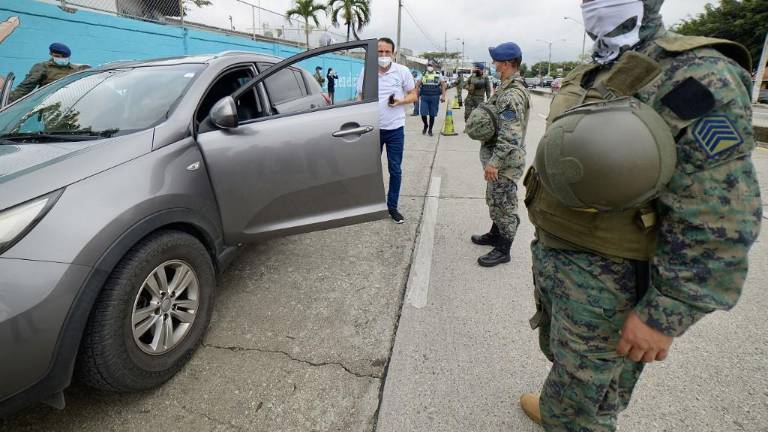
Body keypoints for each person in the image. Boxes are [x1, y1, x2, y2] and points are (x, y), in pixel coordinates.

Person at [520, 1, 762, 430]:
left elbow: (722, 216)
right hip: (560, 260)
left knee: (590, 403)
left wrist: (665, 313)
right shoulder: (597, 70)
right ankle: (561, 404)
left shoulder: (695, 75)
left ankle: (571, 416)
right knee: (569, 363)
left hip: (611, 278)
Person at [466, 42, 530, 267]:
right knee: (495, 200)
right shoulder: (505, 87)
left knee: (504, 204)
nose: (492, 64)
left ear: (506, 64)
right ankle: (495, 234)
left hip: (505, 161)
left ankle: (504, 249)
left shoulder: (512, 94)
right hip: (500, 159)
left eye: (496, 61)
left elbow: (510, 135)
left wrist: (494, 162)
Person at [356, 37, 417, 224]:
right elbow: (360, 96)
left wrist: (400, 101)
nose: (383, 55)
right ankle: (369, 205)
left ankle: (392, 207)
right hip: (372, 129)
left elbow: (414, 95)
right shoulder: (366, 71)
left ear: (393, 54)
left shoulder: (402, 71)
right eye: (380, 52)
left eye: (387, 52)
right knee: (370, 170)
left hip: (395, 129)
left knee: (395, 170)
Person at [10, 42, 82, 101]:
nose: (61, 59)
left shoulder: (76, 69)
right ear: (51, 54)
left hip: (71, 104)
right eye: (57, 56)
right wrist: (10, 100)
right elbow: (25, 87)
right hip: (49, 104)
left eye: (64, 57)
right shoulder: (43, 67)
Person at [416, 62, 446, 136]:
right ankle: (426, 125)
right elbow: (417, 85)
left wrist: (443, 96)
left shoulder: (438, 74)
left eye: (431, 65)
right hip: (424, 97)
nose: (430, 67)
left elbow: (443, 85)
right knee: (423, 113)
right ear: (427, 66)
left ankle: (430, 129)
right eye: (429, 65)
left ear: (434, 66)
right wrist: (415, 95)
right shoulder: (423, 74)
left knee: (432, 114)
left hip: (434, 97)